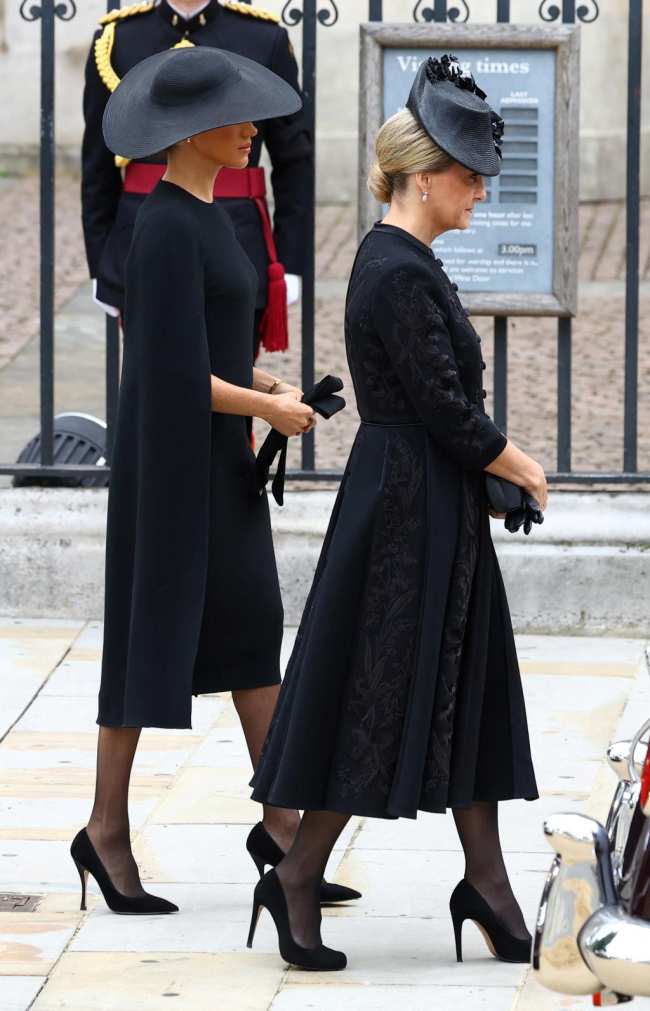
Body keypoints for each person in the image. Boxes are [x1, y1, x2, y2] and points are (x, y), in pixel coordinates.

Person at [249, 55, 548, 971]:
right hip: (406, 515)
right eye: (467, 176)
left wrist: (488, 472)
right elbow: (446, 410)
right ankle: (299, 870)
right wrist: (522, 464)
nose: (480, 190)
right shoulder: (394, 273)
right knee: (374, 696)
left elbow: (442, 412)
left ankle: (487, 883)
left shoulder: (404, 261)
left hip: (428, 502)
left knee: (467, 687)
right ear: (423, 179)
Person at [69, 46, 359, 916]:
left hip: (220, 461)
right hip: (172, 470)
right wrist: (263, 410)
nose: (250, 133)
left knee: (248, 628)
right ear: (189, 133)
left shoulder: (213, 221)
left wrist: (264, 385)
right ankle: (106, 830)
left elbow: (215, 345)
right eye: (235, 122)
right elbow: (167, 370)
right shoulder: (158, 229)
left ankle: (280, 827)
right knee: (145, 641)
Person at [82, 0, 312, 356]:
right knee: (156, 373)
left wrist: (290, 262)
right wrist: (101, 261)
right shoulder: (118, 38)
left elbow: (293, 161)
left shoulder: (263, 36)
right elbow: (97, 163)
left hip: (239, 234)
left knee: (234, 373)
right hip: (141, 232)